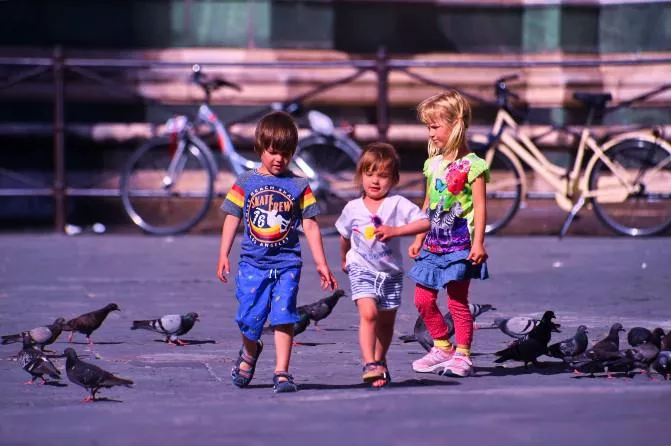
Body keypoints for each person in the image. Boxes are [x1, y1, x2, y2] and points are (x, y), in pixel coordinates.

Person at [216, 111, 338, 393]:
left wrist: (321, 263)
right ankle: (249, 351)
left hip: (287, 265)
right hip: (252, 265)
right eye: (273, 152)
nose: (279, 159)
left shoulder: (299, 185)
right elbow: (232, 218)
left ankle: (282, 371)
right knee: (248, 319)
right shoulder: (245, 181)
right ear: (260, 148)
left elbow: (310, 224)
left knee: (284, 317)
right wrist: (224, 253)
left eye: (285, 153)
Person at [407, 89, 490, 378]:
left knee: (457, 301)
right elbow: (428, 203)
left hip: (460, 244)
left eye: (434, 126)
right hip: (432, 242)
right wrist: (418, 237)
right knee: (422, 299)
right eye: (427, 127)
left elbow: (479, 207)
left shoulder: (474, 165)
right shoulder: (433, 164)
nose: (430, 133)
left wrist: (479, 242)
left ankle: (463, 354)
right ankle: (442, 346)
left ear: (455, 124)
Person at [335, 142, 430, 388]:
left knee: (386, 323)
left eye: (383, 175)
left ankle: (379, 359)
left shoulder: (397, 204)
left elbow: (425, 223)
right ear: (361, 175)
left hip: (390, 273)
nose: (375, 181)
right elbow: (344, 236)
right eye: (369, 174)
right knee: (369, 314)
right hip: (361, 267)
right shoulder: (352, 208)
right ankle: (369, 364)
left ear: (394, 179)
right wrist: (344, 258)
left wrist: (396, 230)